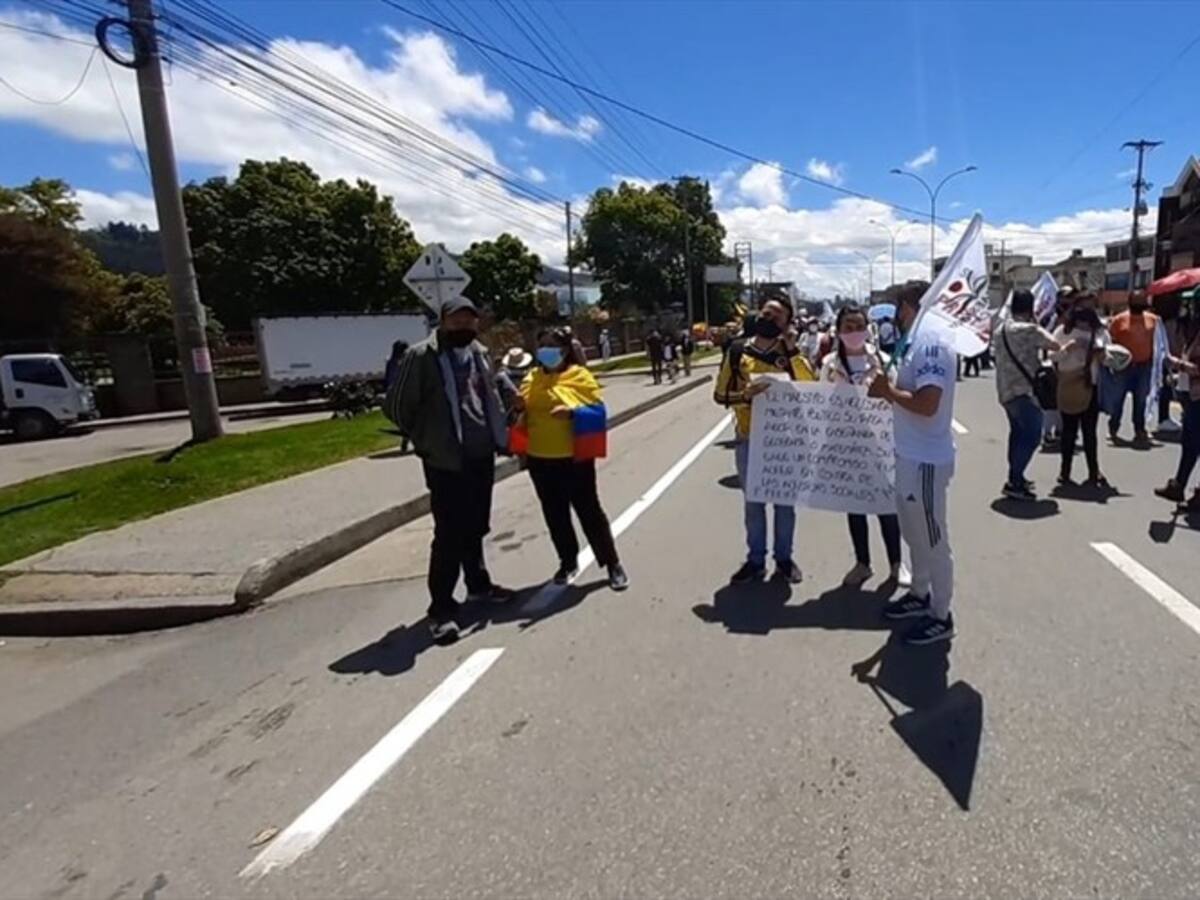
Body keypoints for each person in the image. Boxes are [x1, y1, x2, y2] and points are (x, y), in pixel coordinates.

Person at [387, 297, 514, 641]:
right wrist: (427, 440)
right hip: (445, 460)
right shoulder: (421, 356)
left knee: (475, 526)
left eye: (468, 321)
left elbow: (487, 396)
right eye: (456, 321)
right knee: (449, 535)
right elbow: (397, 406)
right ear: (442, 322)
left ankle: (478, 586)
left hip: (479, 455)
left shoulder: (478, 352)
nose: (463, 327)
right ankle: (441, 609)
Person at [868, 281, 958, 646]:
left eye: (897, 308)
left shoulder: (932, 342)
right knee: (914, 534)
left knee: (933, 539)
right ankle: (919, 594)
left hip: (926, 461)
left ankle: (941, 613)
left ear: (909, 306)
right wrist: (888, 388)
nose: (895, 316)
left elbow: (928, 403)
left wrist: (888, 392)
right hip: (908, 455)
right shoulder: (913, 342)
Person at [714, 297, 815, 585]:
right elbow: (720, 395)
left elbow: (811, 386)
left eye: (778, 315)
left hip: (785, 441)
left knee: (784, 504)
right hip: (749, 439)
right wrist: (745, 396)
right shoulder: (737, 351)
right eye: (766, 312)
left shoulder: (791, 353)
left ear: (786, 324)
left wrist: (793, 349)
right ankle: (755, 560)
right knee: (753, 503)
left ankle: (784, 559)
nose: (769, 317)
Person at [518, 328, 628, 590]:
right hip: (539, 459)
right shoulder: (531, 378)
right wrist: (517, 407)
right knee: (554, 514)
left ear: (565, 351)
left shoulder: (579, 376)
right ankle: (567, 561)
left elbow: (598, 411)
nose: (545, 350)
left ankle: (612, 563)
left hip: (574, 459)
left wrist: (572, 413)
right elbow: (519, 416)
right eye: (542, 345)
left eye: (552, 346)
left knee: (589, 511)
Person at [819, 304, 906, 586]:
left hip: (881, 446)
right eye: (848, 327)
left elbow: (898, 398)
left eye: (859, 326)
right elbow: (820, 402)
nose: (854, 332)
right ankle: (862, 563)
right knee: (854, 506)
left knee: (887, 507)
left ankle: (896, 564)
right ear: (839, 330)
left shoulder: (883, 361)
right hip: (846, 446)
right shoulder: (829, 365)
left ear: (868, 328)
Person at [994, 289, 1063, 500]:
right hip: (1024, 390)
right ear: (1030, 307)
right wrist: (1037, 323)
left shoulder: (1000, 329)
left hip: (1005, 390)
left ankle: (1016, 477)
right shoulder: (1029, 329)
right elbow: (1054, 344)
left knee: (1017, 434)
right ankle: (1015, 480)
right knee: (1032, 435)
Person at [1052, 299, 1110, 488]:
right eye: (1079, 321)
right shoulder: (1062, 332)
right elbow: (1051, 357)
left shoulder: (1100, 333)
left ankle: (1094, 471)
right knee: (1069, 432)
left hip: (1089, 386)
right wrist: (1069, 347)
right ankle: (1064, 471)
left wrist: (1101, 355)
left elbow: (1109, 360)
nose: (1083, 326)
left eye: (1086, 322)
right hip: (1068, 385)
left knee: (1089, 433)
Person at [1154, 304, 1200, 510]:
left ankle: (1183, 486)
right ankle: (1179, 484)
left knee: (1193, 442)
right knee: (1189, 442)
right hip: (1190, 394)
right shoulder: (1194, 332)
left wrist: (1181, 366)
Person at [1106, 292, 1160, 445]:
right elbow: (1110, 342)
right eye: (1136, 301)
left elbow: (1159, 343)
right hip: (1123, 368)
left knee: (1141, 400)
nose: (1139, 303)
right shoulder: (1118, 320)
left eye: (1141, 300)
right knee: (1117, 400)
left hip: (1144, 366)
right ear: (1130, 302)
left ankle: (1140, 430)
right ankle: (1114, 427)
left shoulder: (1153, 320)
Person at [384, 339, 411, 453]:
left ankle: (406, 439)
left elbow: (388, 379)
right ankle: (407, 438)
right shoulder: (404, 362)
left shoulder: (391, 362)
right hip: (404, 393)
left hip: (394, 394)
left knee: (405, 419)